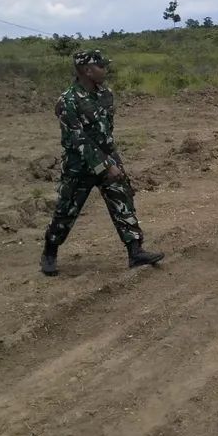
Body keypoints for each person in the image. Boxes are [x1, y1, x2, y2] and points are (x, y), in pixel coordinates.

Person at [40, 50, 164, 276]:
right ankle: (50, 251)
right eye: (101, 66)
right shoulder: (68, 100)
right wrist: (107, 165)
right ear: (87, 71)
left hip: (107, 160)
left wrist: (113, 160)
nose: (105, 69)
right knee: (66, 210)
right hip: (79, 165)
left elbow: (106, 131)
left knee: (122, 201)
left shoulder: (105, 94)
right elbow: (78, 139)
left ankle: (135, 251)